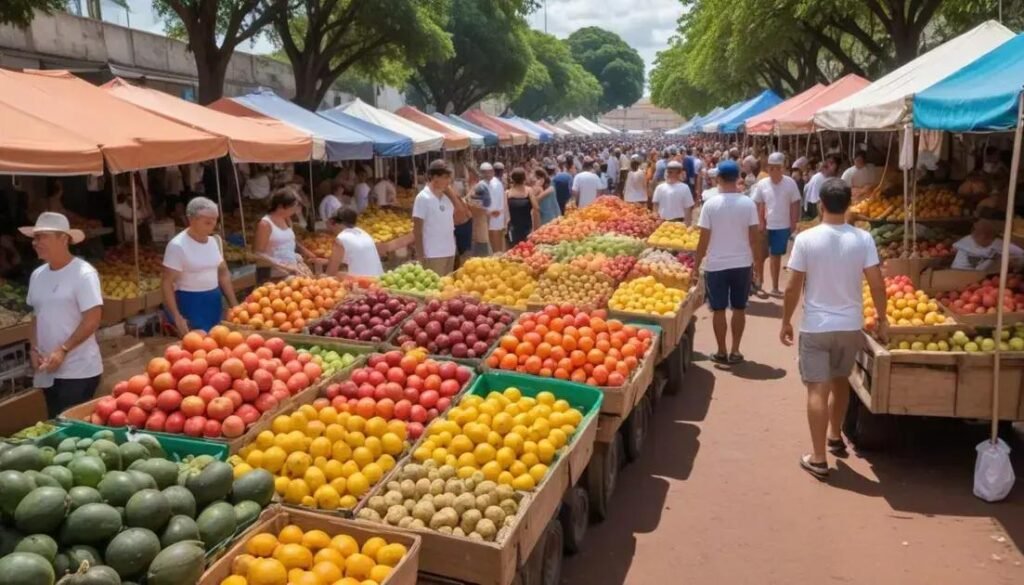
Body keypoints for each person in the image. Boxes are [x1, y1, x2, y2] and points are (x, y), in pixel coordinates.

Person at [781, 178, 888, 480]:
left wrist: (786, 320)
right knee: (841, 381)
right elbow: (877, 283)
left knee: (817, 388)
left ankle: (818, 458)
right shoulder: (863, 239)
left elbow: (792, 287)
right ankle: (834, 436)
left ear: (821, 204)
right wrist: (882, 317)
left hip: (817, 325)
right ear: (849, 205)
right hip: (850, 324)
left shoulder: (806, 239)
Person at [22, 212, 103, 417]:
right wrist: (33, 349)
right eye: (35, 237)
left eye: (42, 237)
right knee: (56, 421)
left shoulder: (84, 274)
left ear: (64, 239)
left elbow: (92, 319)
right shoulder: (38, 275)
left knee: (69, 429)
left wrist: (63, 350)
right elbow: (35, 316)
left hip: (78, 370)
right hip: (47, 370)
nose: (35, 243)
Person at [694, 161, 759, 365]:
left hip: (716, 264)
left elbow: (703, 239)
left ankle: (721, 351)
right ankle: (736, 351)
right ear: (737, 178)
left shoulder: (711, 205)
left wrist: (696, 265)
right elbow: (754, 237)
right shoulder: (748, 204)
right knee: (739, 308)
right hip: (742, 263)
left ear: (719, 179)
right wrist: (755, 264)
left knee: (719, 309)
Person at [161, 197, 239, 335]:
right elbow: (167, 283)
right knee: (197, 346)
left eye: (215, 220)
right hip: (190, 302)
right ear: (191, 219)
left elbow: (223, 273)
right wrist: (177, 316)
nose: (212, 225)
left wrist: (234, 305)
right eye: (207, 222)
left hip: (214, 301)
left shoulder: (213, 242)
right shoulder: (177, 246)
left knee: (217, 342)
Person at [752, 152, 802, 296]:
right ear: (768, 168)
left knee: (776, 256)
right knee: (760, 256)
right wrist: (760, 221)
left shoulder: (790, 183)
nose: (774, 171)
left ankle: (774, 287)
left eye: (777, 168)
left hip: (782, 226)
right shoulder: (762, 184)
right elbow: (759, 203)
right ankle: (759, 283)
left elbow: (795, 203)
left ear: (783, 168)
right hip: (765, 226)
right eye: (771, 168)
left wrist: (793, 222)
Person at [253, 190, 320, 280]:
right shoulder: (265, 224)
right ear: (281, 206)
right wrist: (284, 266)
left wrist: (305, 252)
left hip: (291, 270)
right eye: (292, 208)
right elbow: (258, 254)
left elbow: (289, 241)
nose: (294, 211)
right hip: (273, 274)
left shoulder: (287, 220)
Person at [413, 160, 457, 275]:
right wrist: (421, 255)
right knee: (435, 291)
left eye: (449, 177)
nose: (448, 181)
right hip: (432, 254)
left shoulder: (447, 198)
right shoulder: (423, 198)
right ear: (434, 177)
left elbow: (462, 215)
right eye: (445, 177)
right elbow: (417, 229)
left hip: (450, 251)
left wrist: (451, 194)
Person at [325, 207, 384, 277]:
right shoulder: (364, 233)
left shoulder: (341, 238)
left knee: (332, 276)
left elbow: (331, 272)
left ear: (336, 224)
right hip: (380, 279)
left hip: (363, 283)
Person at [951, 219, 1024, 271]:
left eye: (987, 235)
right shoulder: (966, 241)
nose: (977, 236)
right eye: (977, 233)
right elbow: (954, 249)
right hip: (962, 274)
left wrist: (1013, 261)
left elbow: (1020, 253)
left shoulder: (998, 244)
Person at [507, 168, 540, 245]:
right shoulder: (529, 191)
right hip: (527, 226)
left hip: (513, 227)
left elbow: (505, 211)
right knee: (527, 248)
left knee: (514, 248)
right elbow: (536, 208)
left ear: (512, 179)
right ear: (524, 178)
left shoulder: (508, 193)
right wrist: (537, 227)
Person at [803, 154, 841, 218]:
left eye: (832, 163)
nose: (829, 165)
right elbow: (816, 200)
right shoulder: (818, 178)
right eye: (829, 163)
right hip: (816, 208)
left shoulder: (835, 178)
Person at [483, 162, 507, 254]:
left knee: (496, 247)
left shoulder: (495, 184)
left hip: (494, 219)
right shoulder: (498, 183)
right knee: (498, 247)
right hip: (496, 218)